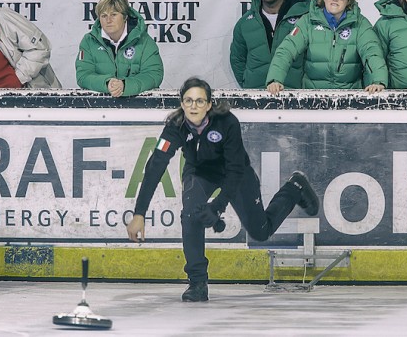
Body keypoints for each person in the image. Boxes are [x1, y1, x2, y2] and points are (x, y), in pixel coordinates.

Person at [126, 77, 319, 302]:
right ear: (181, 103)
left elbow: (236, 170)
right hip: (199, 173)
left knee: (260, 232)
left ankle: (294, 188)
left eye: (199, 101)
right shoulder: (175, 126)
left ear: (209, 105)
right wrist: (139, 213)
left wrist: (217, 206)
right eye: (188, 101)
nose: (193, 106)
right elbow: (155, 165)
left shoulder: (227, 122)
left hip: (234, 173)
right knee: (190, 214)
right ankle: (197, 283)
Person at [266, 0, 388, 94]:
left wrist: (378, 80)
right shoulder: (308, 21)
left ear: (348, 1)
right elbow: (287, 49)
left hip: (350, 97)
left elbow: (372, 52)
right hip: (313, 97)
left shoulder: (360, 23)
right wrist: (274, 79)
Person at [230, 0, 309, 90]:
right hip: (255, 96)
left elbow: (311, 56)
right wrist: (248, 83)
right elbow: (237, 59)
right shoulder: (245, 23)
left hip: (292, 94)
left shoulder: (304, 18)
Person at [76, 0, 163, 97]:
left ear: (125, 16)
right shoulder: (88, 41)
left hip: (138, 108)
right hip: (99, 109)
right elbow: (83, 76)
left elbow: (153, 75)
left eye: (113, 14)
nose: (108, 20)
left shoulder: (144, 41)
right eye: (104, 16)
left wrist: (125, 85)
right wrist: (107, 83)